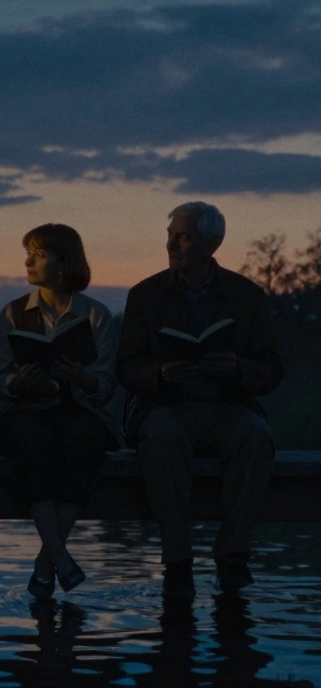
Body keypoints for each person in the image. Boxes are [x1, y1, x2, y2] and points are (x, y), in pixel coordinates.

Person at [117, 201, 282, 597]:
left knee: (257, 438)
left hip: (228, 406)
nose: (172, 244)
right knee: (162, 438)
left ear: (210, 245)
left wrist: (238, 367)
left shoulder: (246, 296)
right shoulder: (145, 295)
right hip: (167, 405)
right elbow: (125, 367)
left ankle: (233, 557)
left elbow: (272, 368)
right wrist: (159, 373)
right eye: (170, 235)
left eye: (184, 237)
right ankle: (178, 562)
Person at [0, 224, 119, 598]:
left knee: (83, 439)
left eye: (38, 254)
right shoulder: (13, 314)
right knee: (32, 440)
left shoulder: (96, 316)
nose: (28, 261)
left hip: (78, 409)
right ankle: (60, 558)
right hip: (25, 412)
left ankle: (48, 563)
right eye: (28, 253)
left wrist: (82, 378)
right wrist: (19, 383)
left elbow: (107, 386)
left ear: (64, 263)